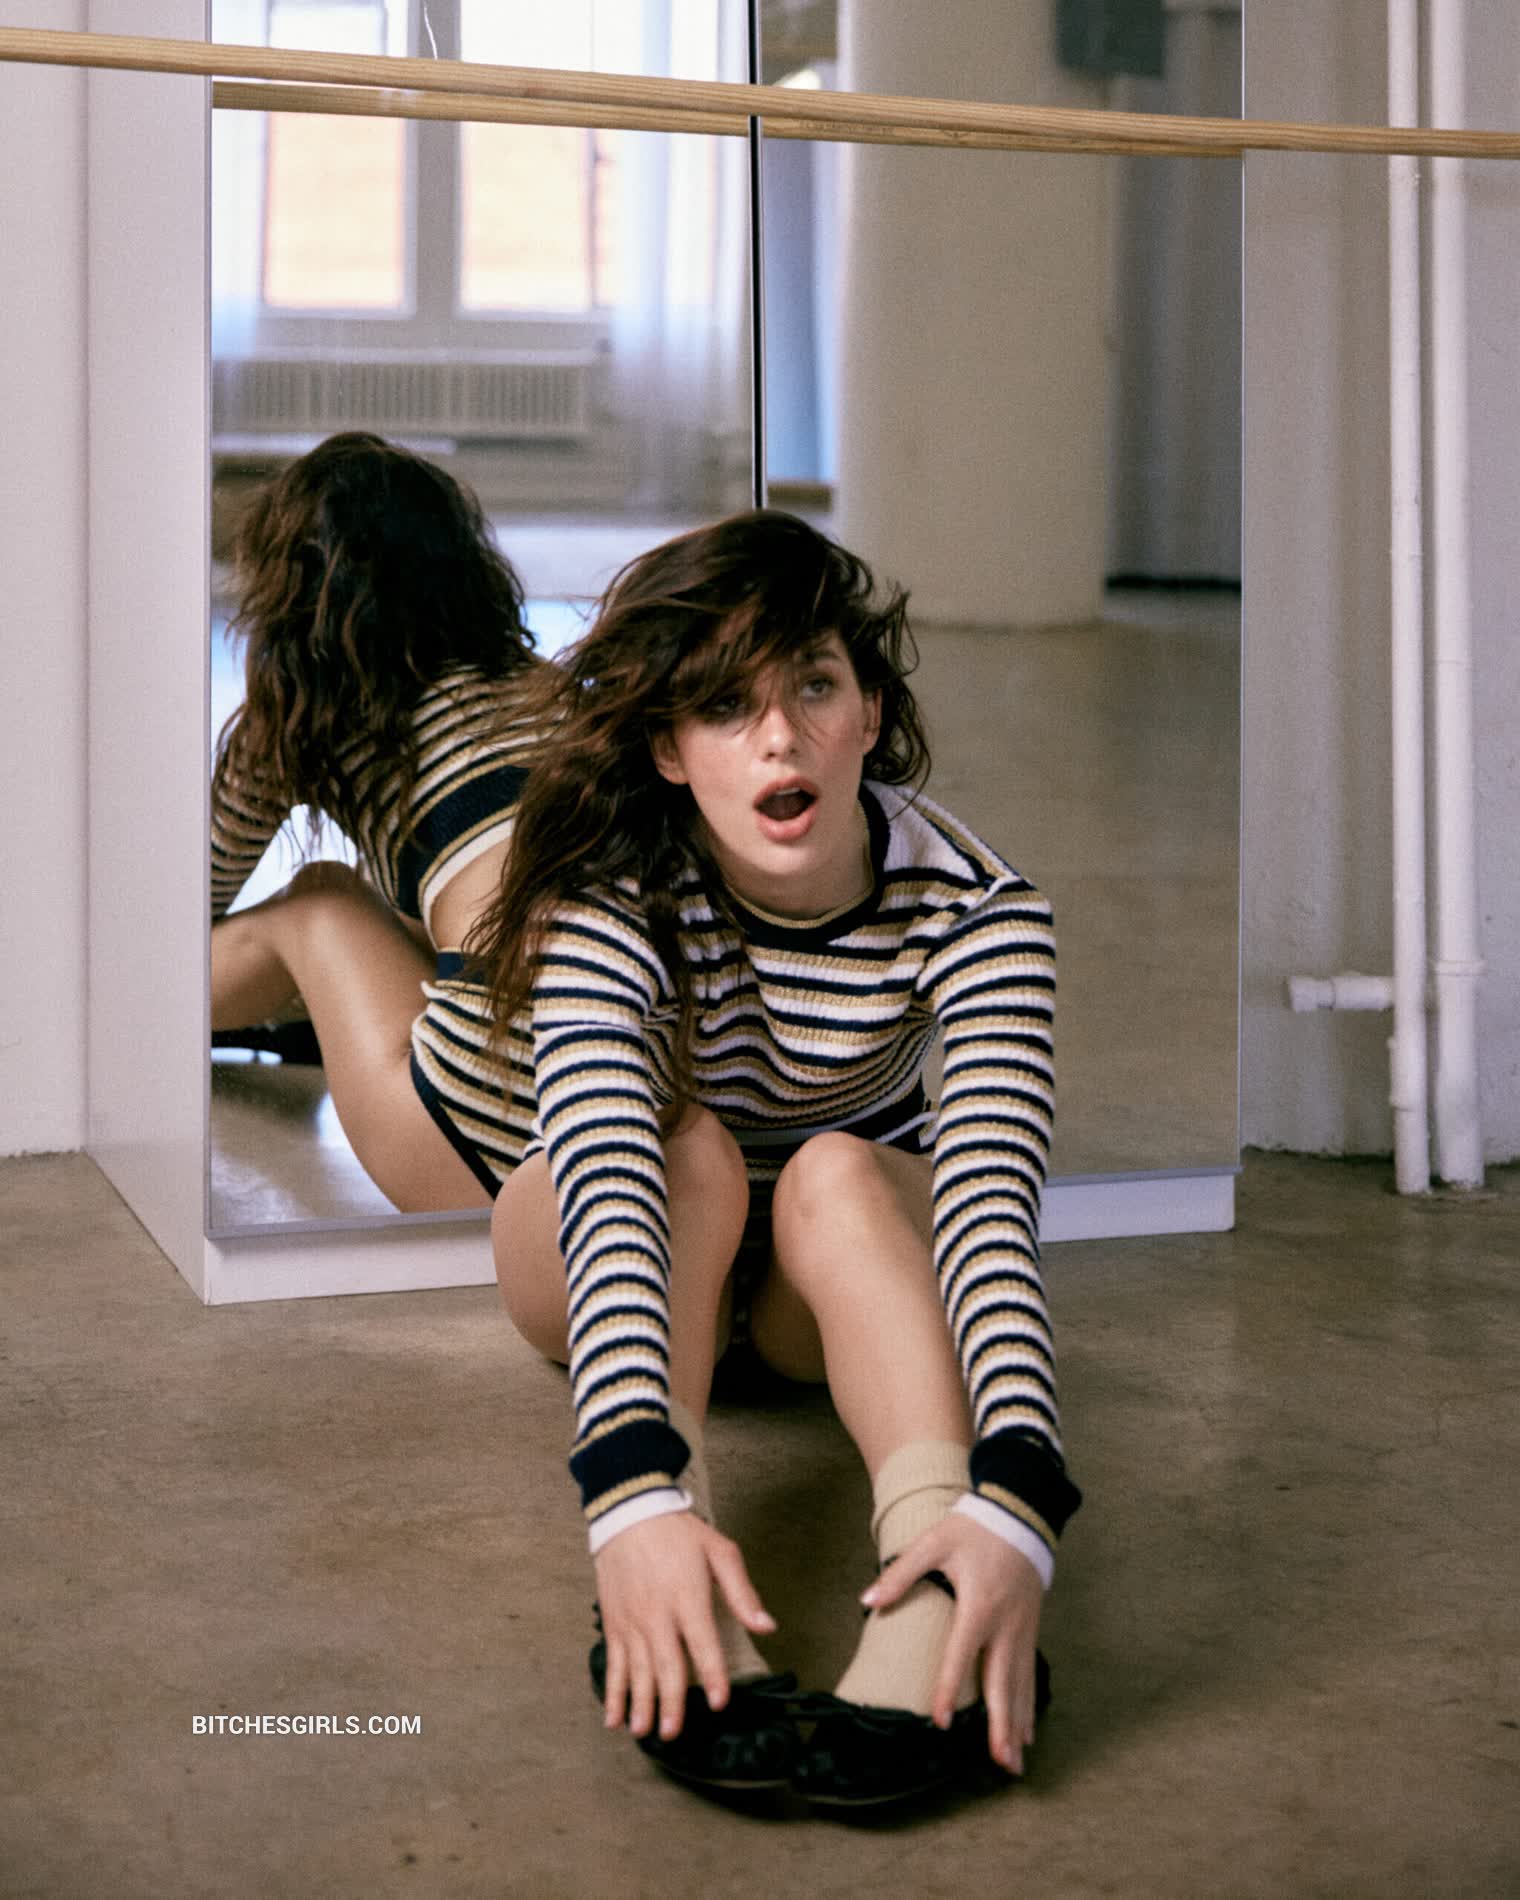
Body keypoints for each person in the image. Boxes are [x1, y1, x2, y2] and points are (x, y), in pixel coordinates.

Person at [474, 509, 1081, 1808]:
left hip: (822, 1299)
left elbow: (989, 1213)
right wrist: (630, 1503)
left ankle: (935, 1563)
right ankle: (669, 1545)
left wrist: (1019, 1503)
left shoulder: (983, 912)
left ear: (869, 712)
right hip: (616, 1260)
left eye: (812, 684)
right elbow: (604, 1178)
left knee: (840, 1169)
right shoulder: (613, 896)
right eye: (721, 706)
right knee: (680, 1145)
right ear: (668, 751)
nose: (778, 738)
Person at [210, 431, 546, 1212]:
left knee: (320, 897)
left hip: (483, 1154)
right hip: (631, 1136)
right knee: (432, 894)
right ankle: (295, 1015)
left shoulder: (301, 719)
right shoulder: (547, 690)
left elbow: (198, 896)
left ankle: (149, 1036)